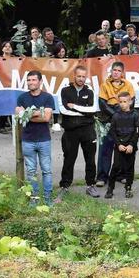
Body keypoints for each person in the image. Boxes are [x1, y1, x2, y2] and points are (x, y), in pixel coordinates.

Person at [58, 65, 101, 197]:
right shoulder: (64, 91)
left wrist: (75, 107)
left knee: (90, 159)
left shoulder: (90, 92)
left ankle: (90, 185)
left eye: (83, 76)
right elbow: (63, 110)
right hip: (70, 132)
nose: (81, 79)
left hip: (88, 130)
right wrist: (84, 111)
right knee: (69, 159)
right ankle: (65, 186)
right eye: (79, 76)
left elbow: (93, 110)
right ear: (74, 76)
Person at [15, 71, 57, 205]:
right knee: (31, 171)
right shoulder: (22, 98)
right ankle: (34, 197)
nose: (31, 82)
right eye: (28, 80)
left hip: (44, 139)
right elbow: (20, 115)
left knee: (46, 170)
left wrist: (28, 114)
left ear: (40, 82)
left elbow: (47, 118)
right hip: (28, 140)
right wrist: (39, 113)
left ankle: (47, 197)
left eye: (33, 80)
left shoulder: (48, 97)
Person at [97, 62, 136, 187]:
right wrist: (115, 115)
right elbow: (102, 103)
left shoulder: (128, 85)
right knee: (105, 150)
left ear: (122, 72)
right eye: (114, 70)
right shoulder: (104, 85)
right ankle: (102, 177)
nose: (116, 73)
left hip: (124, 120)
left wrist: (120, 115)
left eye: (119, 70)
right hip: (108, 119)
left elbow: (132, 102)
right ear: (111, 71)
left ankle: (122, 175)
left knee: (123, 149)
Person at [105, 92, 139, 199]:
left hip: (130, 147)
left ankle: (128, 188)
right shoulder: (116, 116)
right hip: (119, 147)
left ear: (130, 102)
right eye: (120, 102)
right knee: (116, 167)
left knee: (129, 168)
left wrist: (131, 145)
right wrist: (119, 144)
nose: (122, 104)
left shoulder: (135, 115)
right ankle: (110, 189)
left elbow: (137, 132)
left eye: (125, 102)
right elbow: (112, 132)